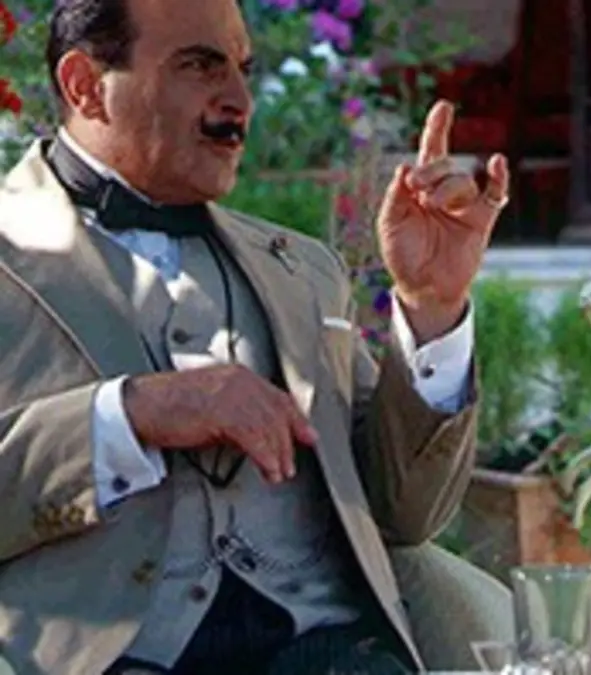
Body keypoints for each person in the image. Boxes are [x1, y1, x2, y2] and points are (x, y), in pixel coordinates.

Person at [0, 0, 510, 672]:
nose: (239, 101)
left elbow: (405, 513)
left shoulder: (303, 270)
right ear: (86, 85)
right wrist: (131, 415)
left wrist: (431, 306)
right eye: (199, 66)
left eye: (244, 69)